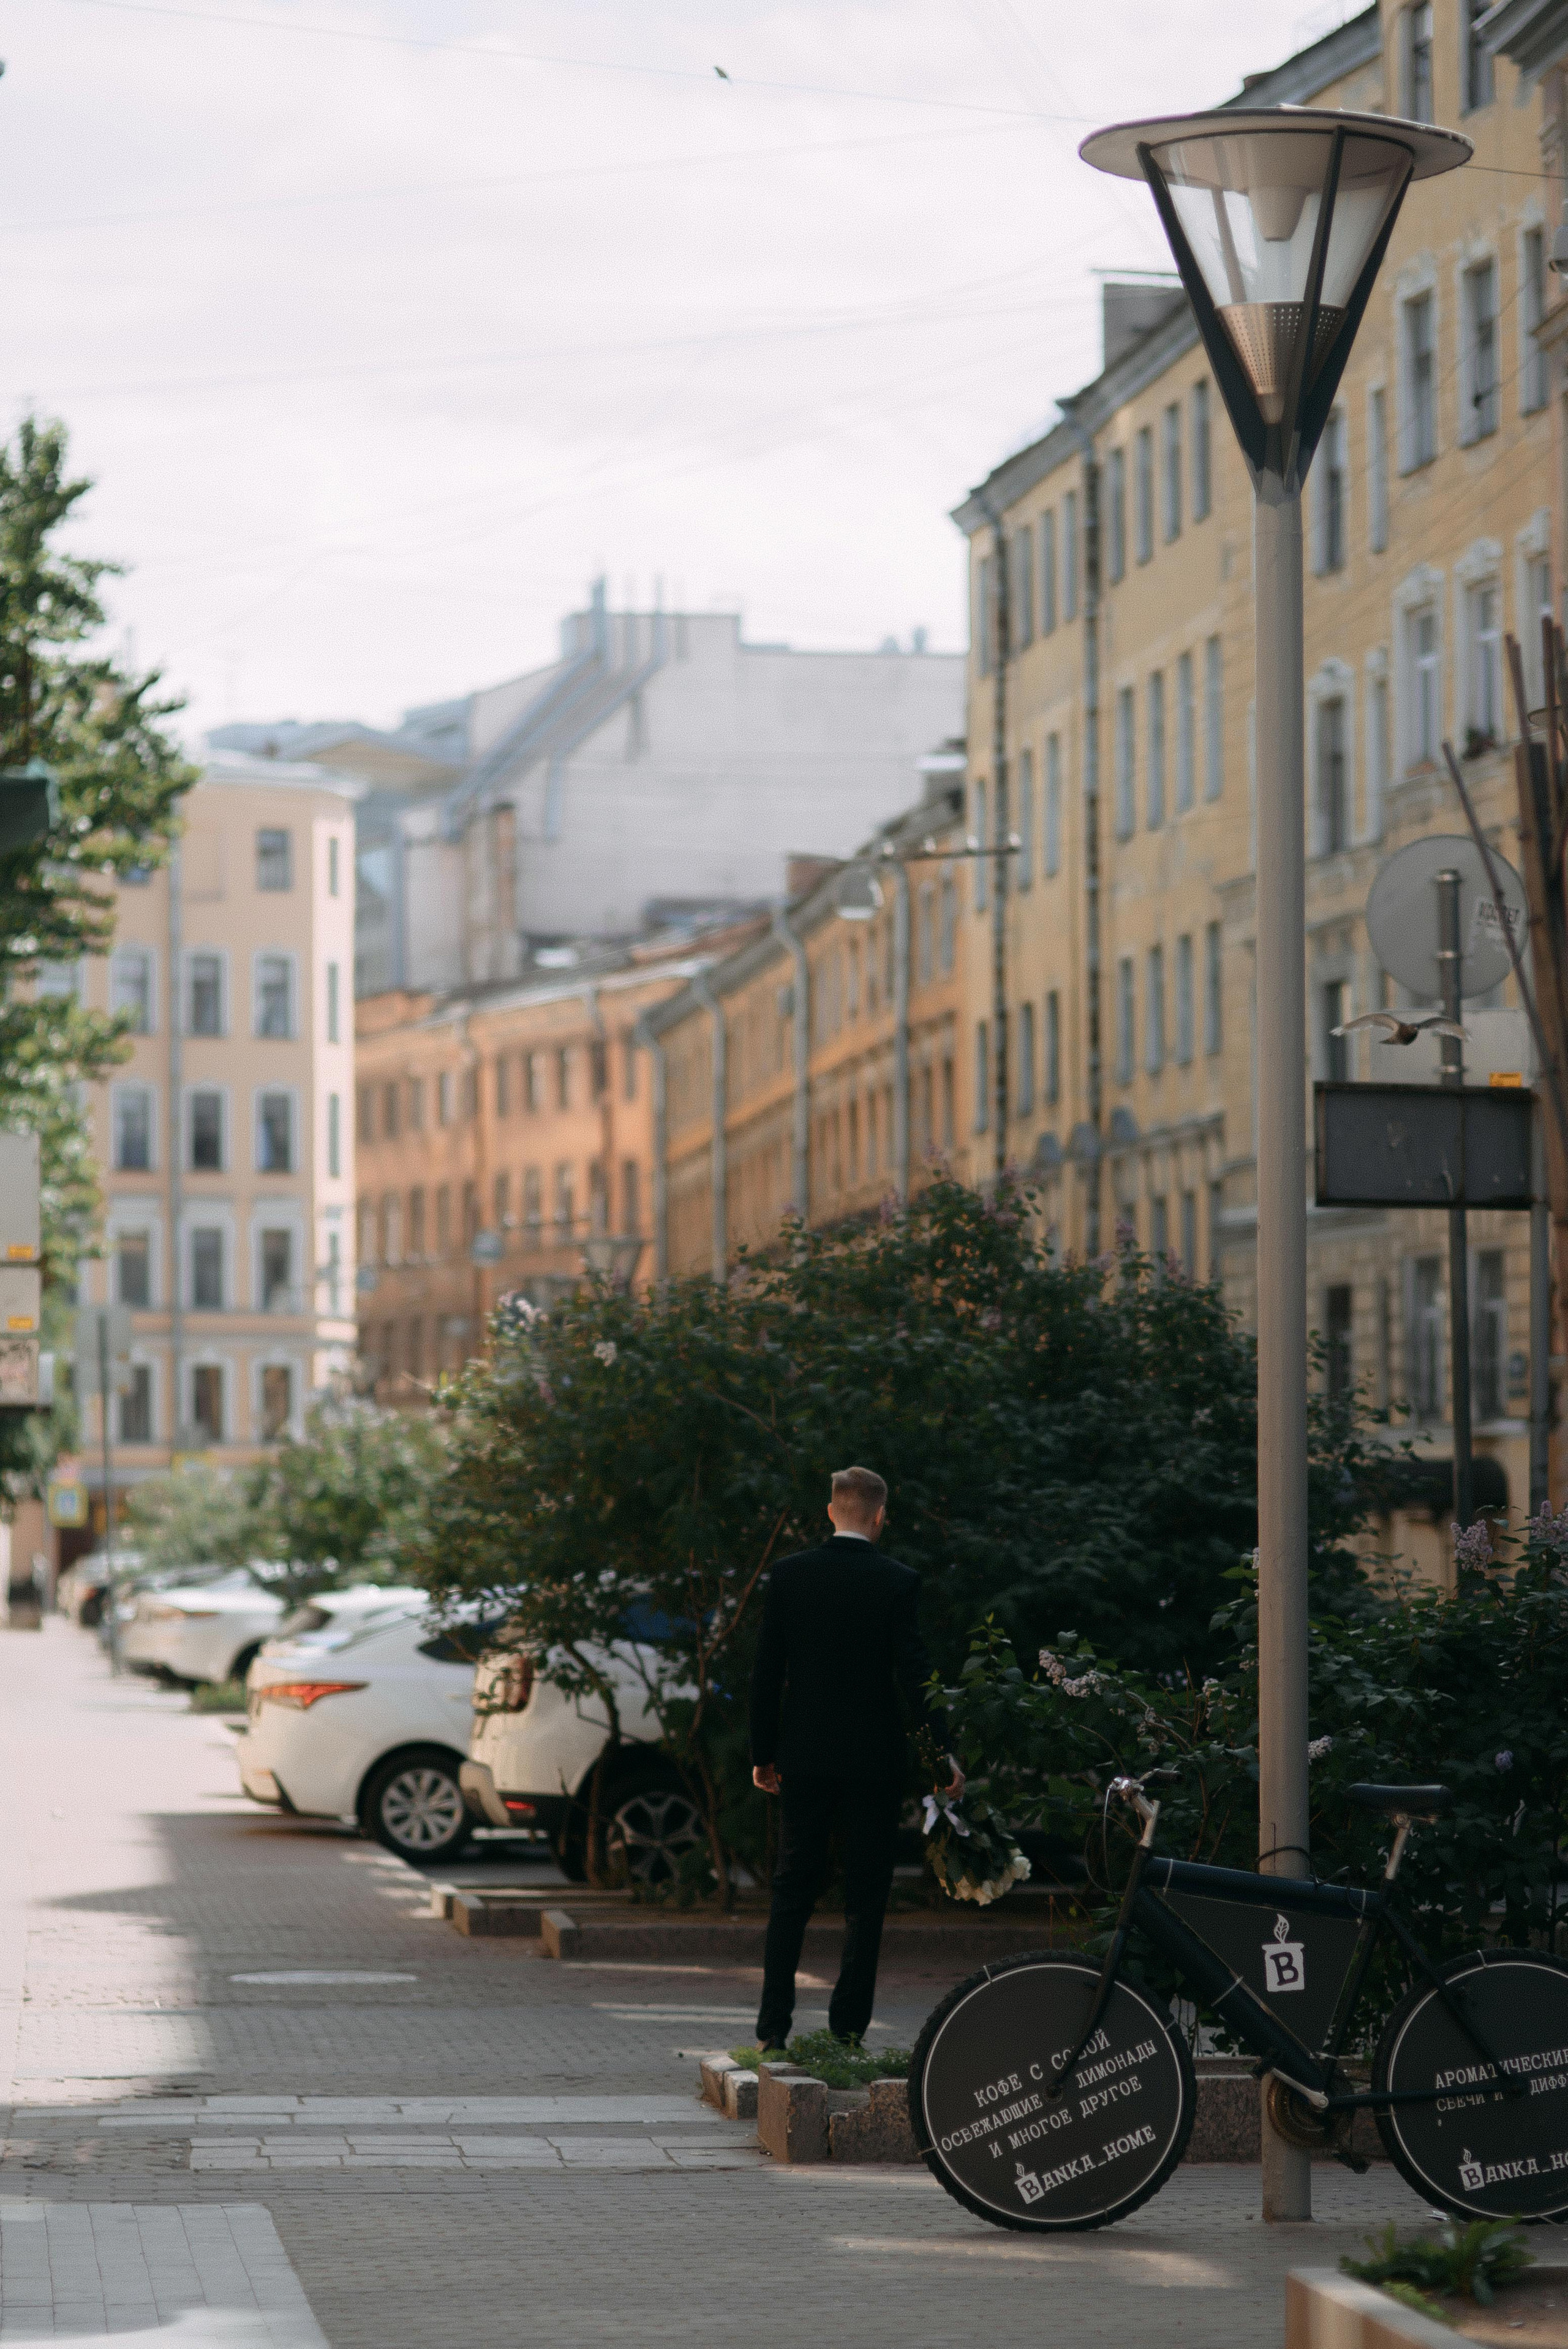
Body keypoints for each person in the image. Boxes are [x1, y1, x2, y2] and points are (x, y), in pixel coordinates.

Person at [749, 1464, 963, 2052]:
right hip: (874, 1759)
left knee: (792, 1888)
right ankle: (847, 2032)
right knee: (866, 1897)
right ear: (879, 1516)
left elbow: (768, 1673)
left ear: (830, 1513)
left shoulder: (790, 1577)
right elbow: (916, 1676)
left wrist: (763, 1754)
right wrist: (942, 1755)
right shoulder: (897, 1581)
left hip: (805, 1754)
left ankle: (773, 2030)